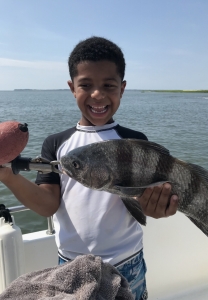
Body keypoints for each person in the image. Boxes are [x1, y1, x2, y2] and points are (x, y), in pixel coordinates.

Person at [0, 36, 178, 300]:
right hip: (70, 265)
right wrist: (6, 175)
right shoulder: (56, 143)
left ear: (122, 88)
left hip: (127, 263)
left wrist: (156, 208)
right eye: (86, 85)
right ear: (72, 88)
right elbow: (48, 204)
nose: (97, 94)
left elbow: (142, 200)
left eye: (109, 85)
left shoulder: (136, 141)